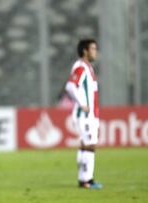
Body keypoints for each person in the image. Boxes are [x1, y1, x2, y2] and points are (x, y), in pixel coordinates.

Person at [65, 39, 103, 189]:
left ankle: (84, 179)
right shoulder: (81, 67)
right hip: (85, 114)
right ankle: (87, 180)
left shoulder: (88, 68)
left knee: (85, 145)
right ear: (85, 51)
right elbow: (70, 86)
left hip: (90, 114)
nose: (95, 51)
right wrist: (82, 104)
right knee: (89, 144)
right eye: (93, 48)